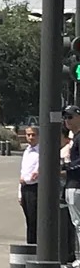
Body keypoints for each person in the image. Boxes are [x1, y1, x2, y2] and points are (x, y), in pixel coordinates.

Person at [62, 105, 80, 268]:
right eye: (65, 117)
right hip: (71, 184)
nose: (66, 120)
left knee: (78, 222)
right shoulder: (74, 138)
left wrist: (66, 167)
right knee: (76, 222)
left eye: (70, 117)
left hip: (77, 185)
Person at [18, 126, 39, 245]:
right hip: (24, 187)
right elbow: (23, 172)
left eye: (33, 135)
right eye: (28, 135)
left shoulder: (41, 151)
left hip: (34, 188)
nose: (30, 137)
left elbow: (36, 174)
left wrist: (30, 177)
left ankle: (35, 245)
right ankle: (30, 244)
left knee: (34, 219)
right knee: (29, 220)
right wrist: (20, 193)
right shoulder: (26, 151)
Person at [60, 123, 76, 265]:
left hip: (72, 187)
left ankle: (74, 254)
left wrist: (64, 168)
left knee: (76, 223)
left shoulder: (68, 149)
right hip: (66, 189)